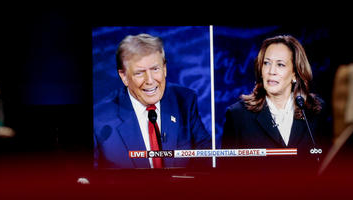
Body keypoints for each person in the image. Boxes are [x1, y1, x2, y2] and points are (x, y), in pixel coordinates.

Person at [94, 33, 212, 169]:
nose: (150, 81)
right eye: (139, 73)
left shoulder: (184, 101)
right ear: (124, 76)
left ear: (165, 69)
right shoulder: (99, 120)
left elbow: (205, 154)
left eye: (155, 69)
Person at [221, 34, 330, 170]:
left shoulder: (315, 110)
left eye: (280, 64)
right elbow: (228, 177)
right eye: (267, 63)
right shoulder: (238, 115)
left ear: (295, 73)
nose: (271, 71)